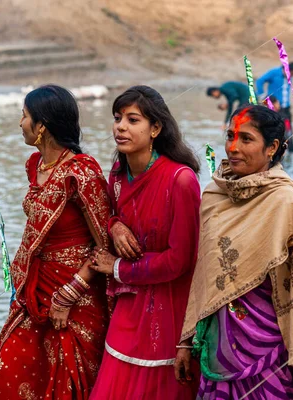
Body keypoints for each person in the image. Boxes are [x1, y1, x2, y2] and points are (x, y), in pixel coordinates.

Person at [175, 105, 293, 400]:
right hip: (218, 349)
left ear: (272, 148)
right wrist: (186, 342)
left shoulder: (286, 202)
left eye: (246, 139)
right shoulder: (215, 195)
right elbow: (204, 276)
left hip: (271, 353)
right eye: (230, 136)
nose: (233, 148)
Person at [0, 85, 112, 400]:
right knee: (11, 373)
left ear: (41, 125)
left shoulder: (82, 171)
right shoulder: (34, 165)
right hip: (33, 292)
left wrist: (67, 296)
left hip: (74, 298)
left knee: (67, 386)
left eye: (25, 116)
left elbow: (105, 244)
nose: (20, 123)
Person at [87, 85, 202, 400]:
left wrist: (119, 268)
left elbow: (181, 260)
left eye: (133, 119)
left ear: (156, 128)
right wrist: (115, 226)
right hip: (129, 305)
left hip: (169, 312)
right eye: (118, 118)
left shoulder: (181, 180)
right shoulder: (118, 175)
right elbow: (114, 212)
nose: (121, 127)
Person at [256, 62, 293, 152]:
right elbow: (260, 81)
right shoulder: (274, 72)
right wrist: (262, 95)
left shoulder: (289, 77)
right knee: (275, 130)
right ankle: (274, 150)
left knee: (288, 131)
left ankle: (289, 153)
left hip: (286, 108)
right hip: (274, 108)